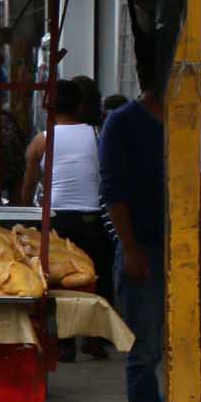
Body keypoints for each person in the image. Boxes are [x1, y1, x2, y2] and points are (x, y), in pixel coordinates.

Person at [102, 63, 201, 402]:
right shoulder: (124, 122)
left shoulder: (197, 118)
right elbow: (113, 190)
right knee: (145, 350)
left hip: (187, 245)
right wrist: (130, 248)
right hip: (145, 248)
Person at [20, 80, 116, 360]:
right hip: (93, 218)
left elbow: (29, 183)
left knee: (59, 283)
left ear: (45, 106)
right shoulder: (98, 134)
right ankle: (94, 339)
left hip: (57, 220)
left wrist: (25, 213)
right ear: (79, 105)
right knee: (97, 280)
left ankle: (63, 343)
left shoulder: (42, 139)